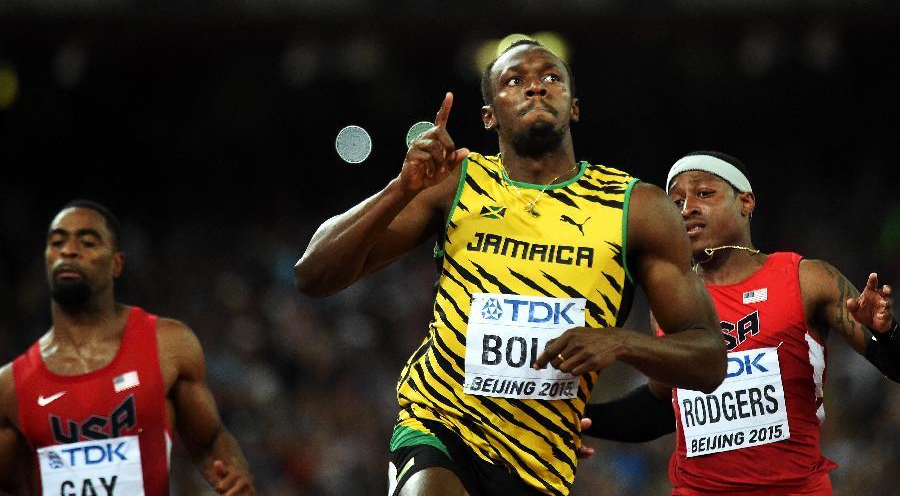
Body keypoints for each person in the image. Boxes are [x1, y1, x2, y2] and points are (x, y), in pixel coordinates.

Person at [294, 38, 727, 496]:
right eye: (515, 80)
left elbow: (709, 359)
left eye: (551, 78)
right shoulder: (455, 182)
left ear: (574, 108)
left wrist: (619, 341)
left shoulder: (635, 207)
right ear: (489, 116)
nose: (535, 88)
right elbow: (313, 275)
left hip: (540, 460)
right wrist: (399, 190)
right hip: (440, 422)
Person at [582, 150, 898, 495]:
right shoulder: (670, 301)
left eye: (704, 194)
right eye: (675, 202)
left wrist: (888, 332)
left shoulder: (807, 279)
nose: (686, 208)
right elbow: (662, 405)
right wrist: (577, 418)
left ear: (746, 202)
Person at [0, 200, 257, 495]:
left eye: (87, 242)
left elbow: (210, 440)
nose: (68, 251)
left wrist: (236, 471)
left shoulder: (167, 346)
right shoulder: (11, 387)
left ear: (116, 263)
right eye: (57, 242)